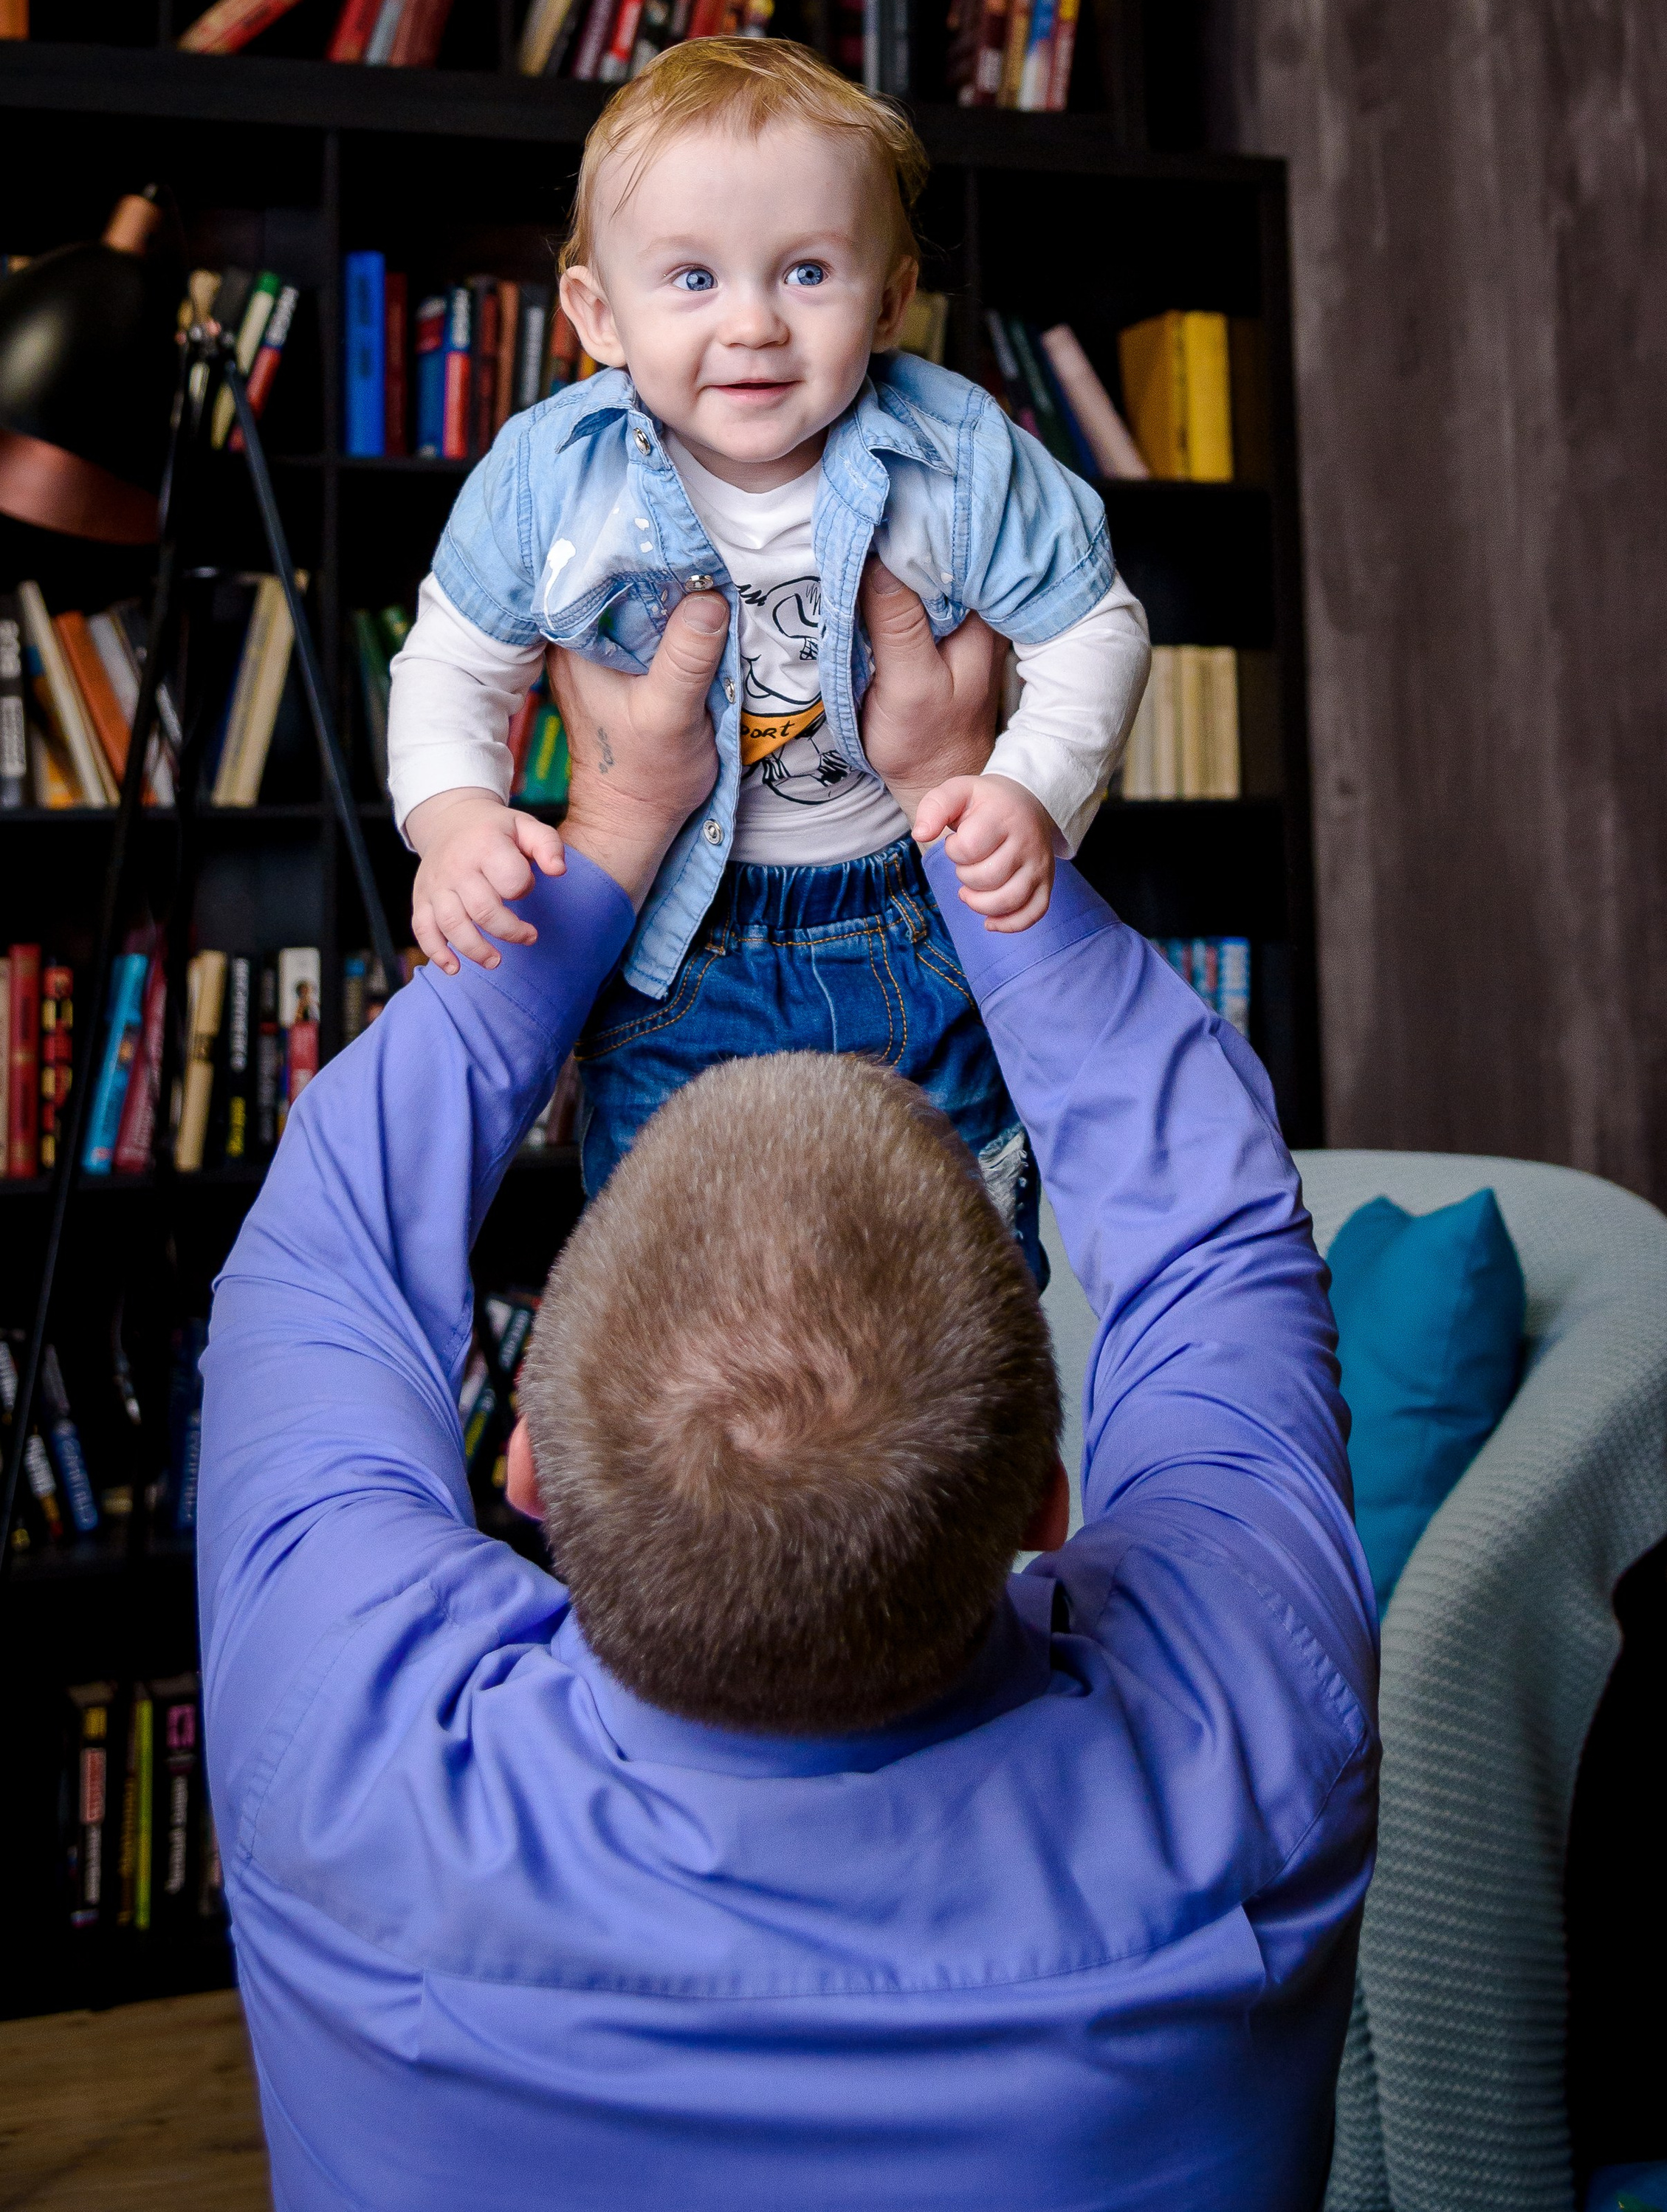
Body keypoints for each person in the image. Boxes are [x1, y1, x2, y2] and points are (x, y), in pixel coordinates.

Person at [199, 563, 1377, 2211]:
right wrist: (973, 809)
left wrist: (610, 830)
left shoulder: (345, 1754)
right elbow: (1212, 1234)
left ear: (524, 1464)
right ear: (1053, 1507)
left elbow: (319, 1247)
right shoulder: (1244, 1741)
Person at [383, 36, 1149, 1261]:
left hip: (911, 924)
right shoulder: (548, 478)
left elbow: (1094, 625)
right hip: (673, 952)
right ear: (598, 312)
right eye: (690, 279)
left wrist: (1028, 789)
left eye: (805, 273)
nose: (751, 325)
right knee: (671, 1284)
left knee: (947, 1268)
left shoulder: (957, 454)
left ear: (891, 298)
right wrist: (454, 821)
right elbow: (451, 665)